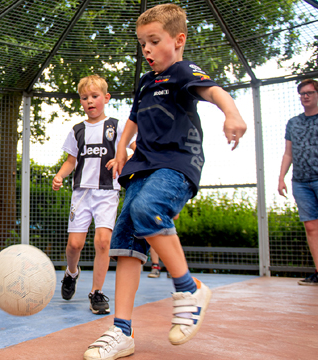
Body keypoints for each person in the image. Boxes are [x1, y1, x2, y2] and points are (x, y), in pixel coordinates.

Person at [83, 4, 247, 359]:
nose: (147, 51)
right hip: (142, 165)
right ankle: (121, 331)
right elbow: (132, 118)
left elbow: (214, 91)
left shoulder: (183, 71)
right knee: (126, 242)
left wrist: (232, 113)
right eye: (143, 44)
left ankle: (190, 288)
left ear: (178, 40)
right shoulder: (145, 82)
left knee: (147, 209)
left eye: (154, 42)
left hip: (176, 164)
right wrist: (122, 147)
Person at [52, 74, 135, 315]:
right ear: (81, 102)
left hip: (107, 192)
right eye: (85, 98)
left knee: (102, 242)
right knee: (74, 245)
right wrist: (60, 175)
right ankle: (71, 273)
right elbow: (71, 160)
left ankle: (96, 292)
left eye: (95, 96)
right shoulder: (77, 130)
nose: (90, 101)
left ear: (106, 98)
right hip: (81, 194)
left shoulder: (117, 126)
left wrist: (124, 159)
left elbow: (131, 150)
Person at [278, 78, 318, 286]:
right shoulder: (293, 123)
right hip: (301, 182)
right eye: (302, 93)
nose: (306, 96)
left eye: (310, 92)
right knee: (311, 227)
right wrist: (281, 178)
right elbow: (288, 153)